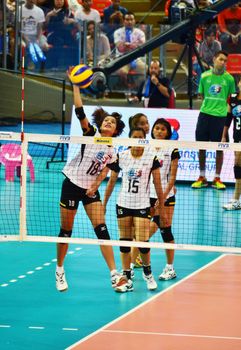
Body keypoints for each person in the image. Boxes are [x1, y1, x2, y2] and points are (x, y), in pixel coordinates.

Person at [56, 72, 125, 292]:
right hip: (72, 184)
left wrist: (96, 185)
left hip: (89, 190)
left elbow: (110, 168)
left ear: (115, 131)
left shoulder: (112, 151)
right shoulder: (91, 133)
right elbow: (79, 111)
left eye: (112, 122)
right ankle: (59, 269)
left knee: (102, 229)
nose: (108, 123)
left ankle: (115, 275)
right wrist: (76, 86)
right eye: (106, 120)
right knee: (66, 230)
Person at [103, 127, 167, 293]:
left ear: (144, 140)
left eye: (140, 138)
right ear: (130, 140)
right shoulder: (122, 156)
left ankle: (148, 273)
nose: (137, 141)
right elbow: (111, 182)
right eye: (134, 137)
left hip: (142, 205)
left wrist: (162, 204)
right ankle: (126, 276)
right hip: (123, 204)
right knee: (124, 242)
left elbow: (158, 184)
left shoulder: (151, 157)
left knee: (142, 242)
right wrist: (103, 204)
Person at [191, 50, 236, 190]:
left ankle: (217, 178)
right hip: (204, 115)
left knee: (219, 148)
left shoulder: (229, 79)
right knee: (201, 147)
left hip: (220, 117)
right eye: (221, 59)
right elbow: (202, 95)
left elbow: (230, 98)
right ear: (214, 59)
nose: (223, 62)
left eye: (225, 61)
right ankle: (202, 177)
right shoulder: (204, 76)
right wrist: (210, 107)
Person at [149, 118, 180, 280]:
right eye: (157, 128)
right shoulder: (147, 146)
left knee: (165, 229)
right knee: (142, 231)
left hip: (166, 196)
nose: (159, 131)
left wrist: (161, 198)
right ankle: (132, 266)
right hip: (147, 196)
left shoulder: (172, 148)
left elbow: (172, 177)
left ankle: (170, 267)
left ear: (168, 132)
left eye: (163, 129)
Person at [222, 76, 241, 210]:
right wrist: (224, 135)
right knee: (237, 165)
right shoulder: (233, 97)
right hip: (237, 137)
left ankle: (236, 198)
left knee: (238, 165)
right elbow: (228, 118)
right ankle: (236, 198)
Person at [113, 12, 146, 88]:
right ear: (123, 21)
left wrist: (127, 44)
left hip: (136, 59)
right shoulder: (117, 32)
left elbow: (141, 48)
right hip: (122, 58)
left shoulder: (140, 33)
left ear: (134, 21)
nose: (129, 22)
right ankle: (126, 87)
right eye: (127, 20)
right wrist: (135, 45)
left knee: (146, 70)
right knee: (122, 72)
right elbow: (120, 48)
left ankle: (134, 88)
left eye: (131, 19)